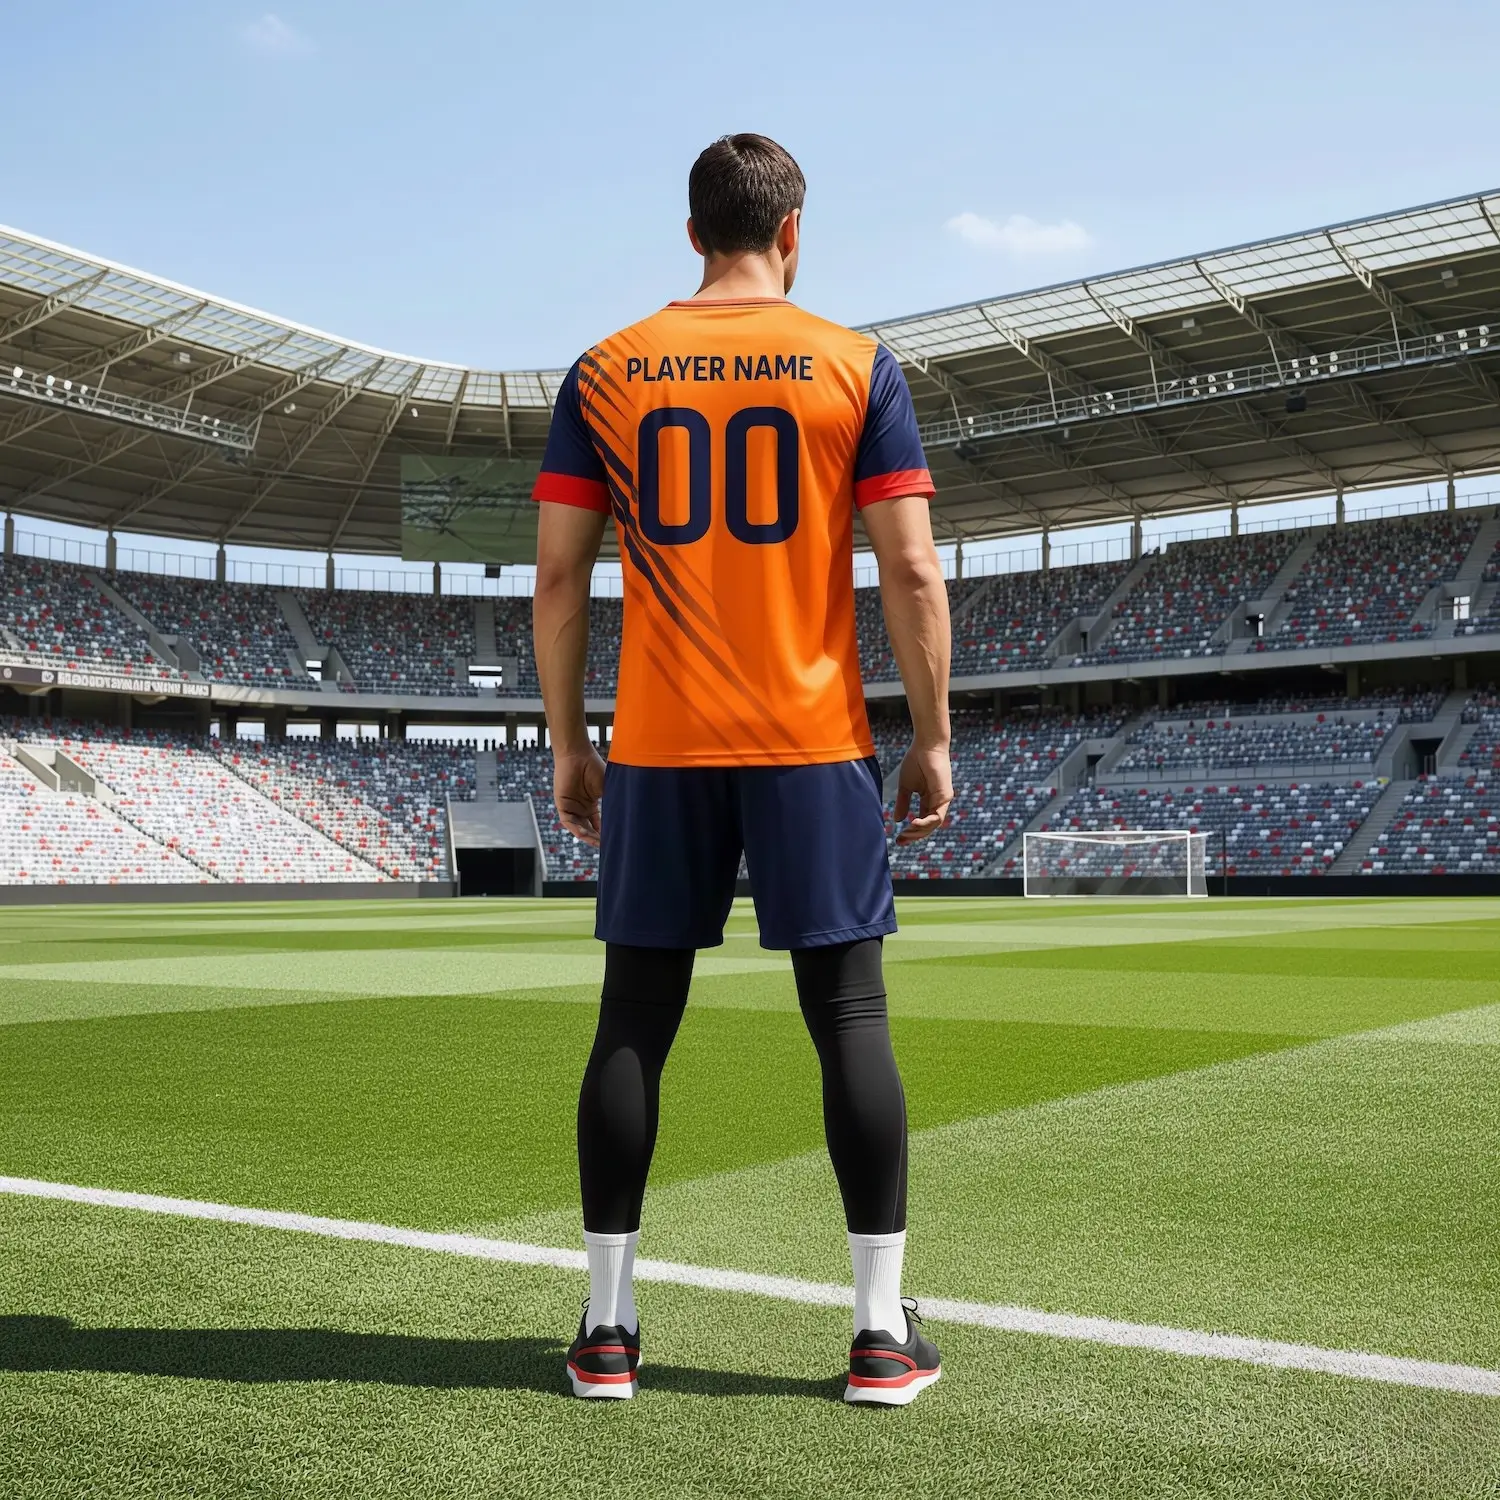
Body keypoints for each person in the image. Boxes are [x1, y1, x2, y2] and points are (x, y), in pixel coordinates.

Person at [531, 133, 952, 1406]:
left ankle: (608, 1332)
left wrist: (568, 741)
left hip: (659, 742)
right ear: (794, 231)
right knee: (851, 1024)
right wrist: (930, 733)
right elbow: (914, 569)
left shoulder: (607, 369)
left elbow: (558, 579)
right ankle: (880, 1337)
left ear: (692, 231)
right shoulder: (855, 364)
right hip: (810, 738)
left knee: (633, 1026)